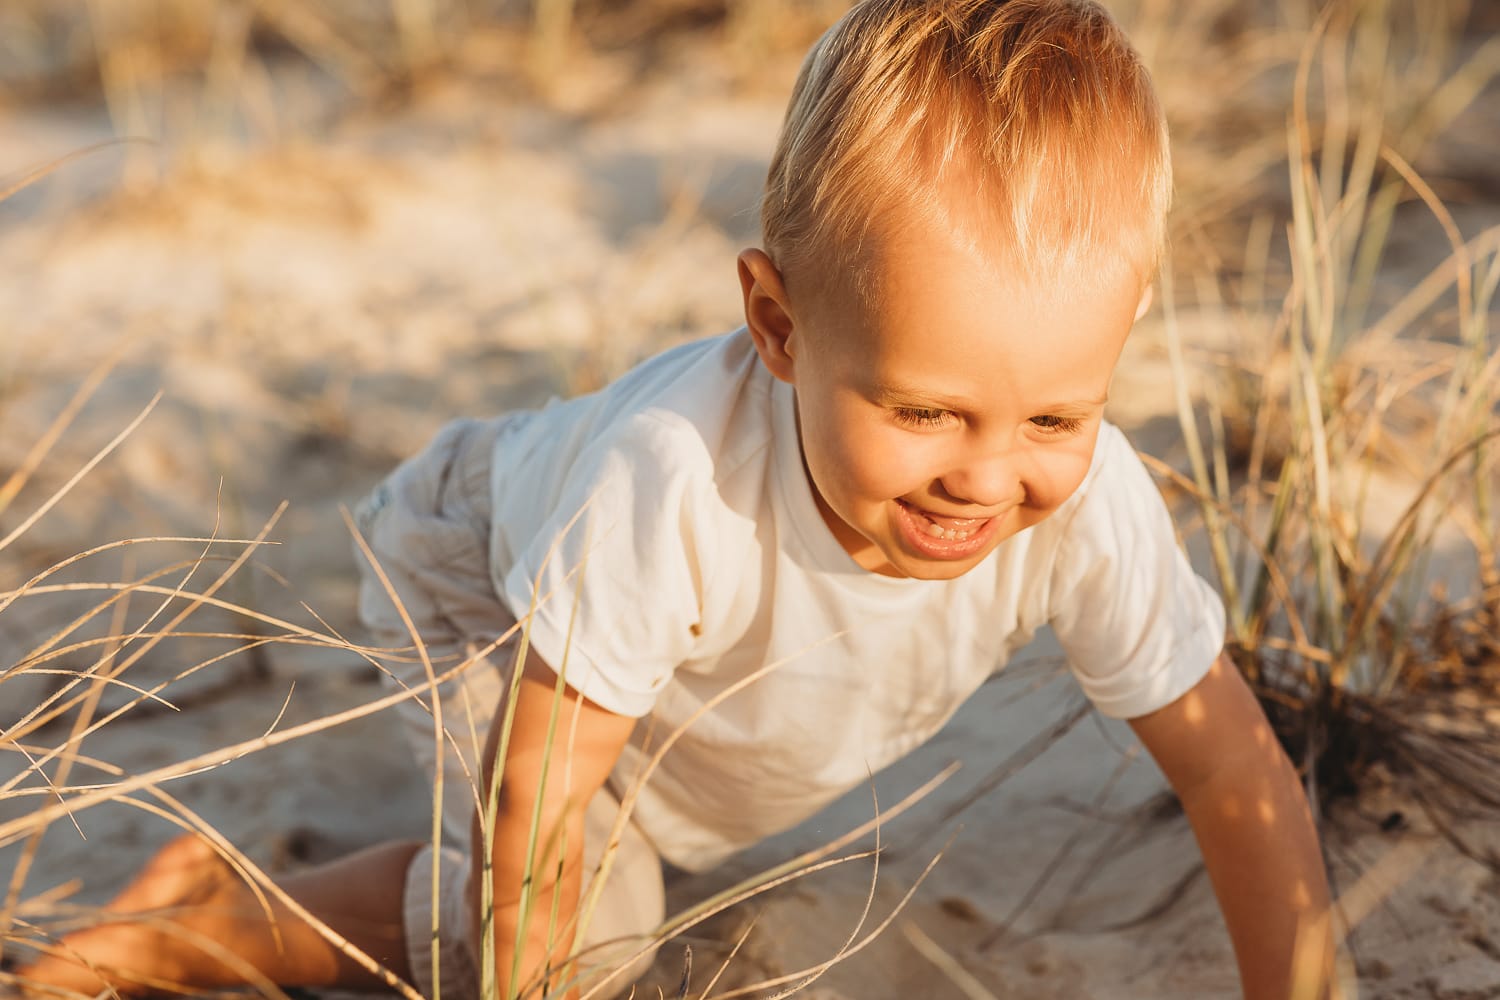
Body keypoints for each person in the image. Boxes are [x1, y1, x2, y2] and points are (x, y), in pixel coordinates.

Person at [12, 1, 1339, 998]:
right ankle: (187, 932)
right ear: (776, 322)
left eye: (1055, 414)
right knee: (588, 923)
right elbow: (540, 799)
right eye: (923, 410)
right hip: (482, 573)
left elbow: (1234, 777)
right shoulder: (670, 482)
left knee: (620, 864)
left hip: (672, 703)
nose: (987, 477)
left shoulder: (1089, 503)